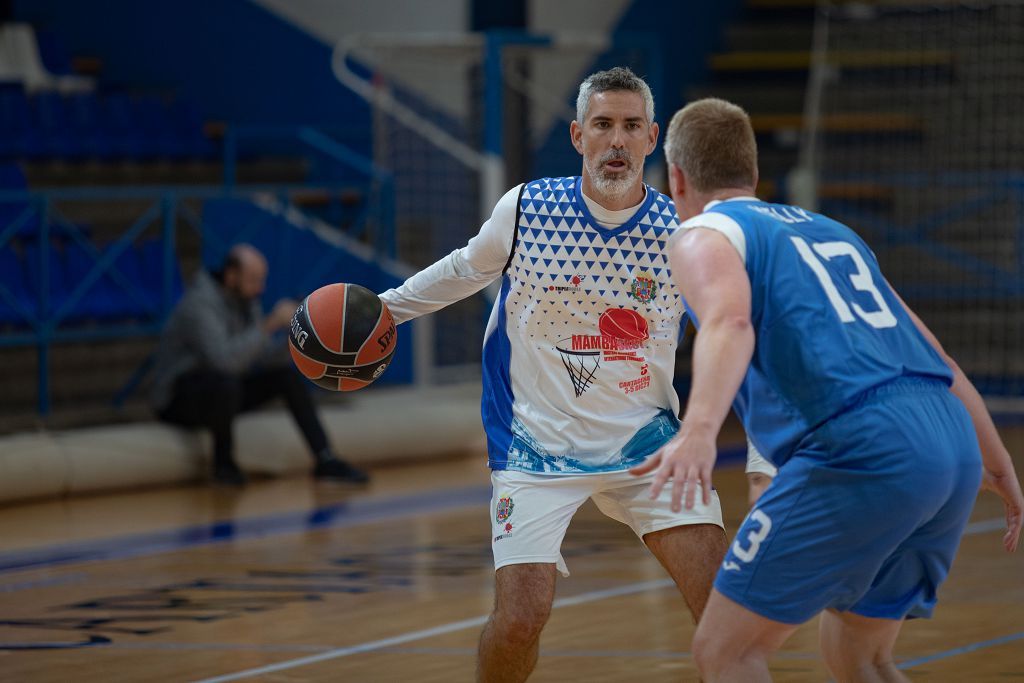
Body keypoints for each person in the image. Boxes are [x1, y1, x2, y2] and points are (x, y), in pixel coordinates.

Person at [632, 97, 1024, 682]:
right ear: (755, 174)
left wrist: (699, 432)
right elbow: (937, 356)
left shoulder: (703, 235)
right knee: (858, 657)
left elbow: (730, 322)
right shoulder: (833, 231)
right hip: (949, 442)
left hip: (861, 446)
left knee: (725, 652)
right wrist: (995, 462)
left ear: (676, 179)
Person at [378, 67, 728, 682]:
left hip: (647, 445)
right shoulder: (527, 209)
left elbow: (731, 329)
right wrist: (385, 309)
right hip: (534, 447)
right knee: (519, 619)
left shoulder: (685, 233)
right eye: (602, 125)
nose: (616, 141)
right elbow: (463, 269)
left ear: (652, 141)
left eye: (630, 127)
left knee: (724, 607)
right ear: (577, 135)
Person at [150, 243, 369, 486]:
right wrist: (270, 323)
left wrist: (299, 337)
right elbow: (224, 362)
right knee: (225, 383)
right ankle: (223, 466)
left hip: (224, 390)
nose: (260, 288)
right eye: (254, 280)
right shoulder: (199, 305)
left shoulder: (246, 300)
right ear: (232, 276)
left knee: (285, 377)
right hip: (179, 398)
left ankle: (326, 459)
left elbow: (259, 358)